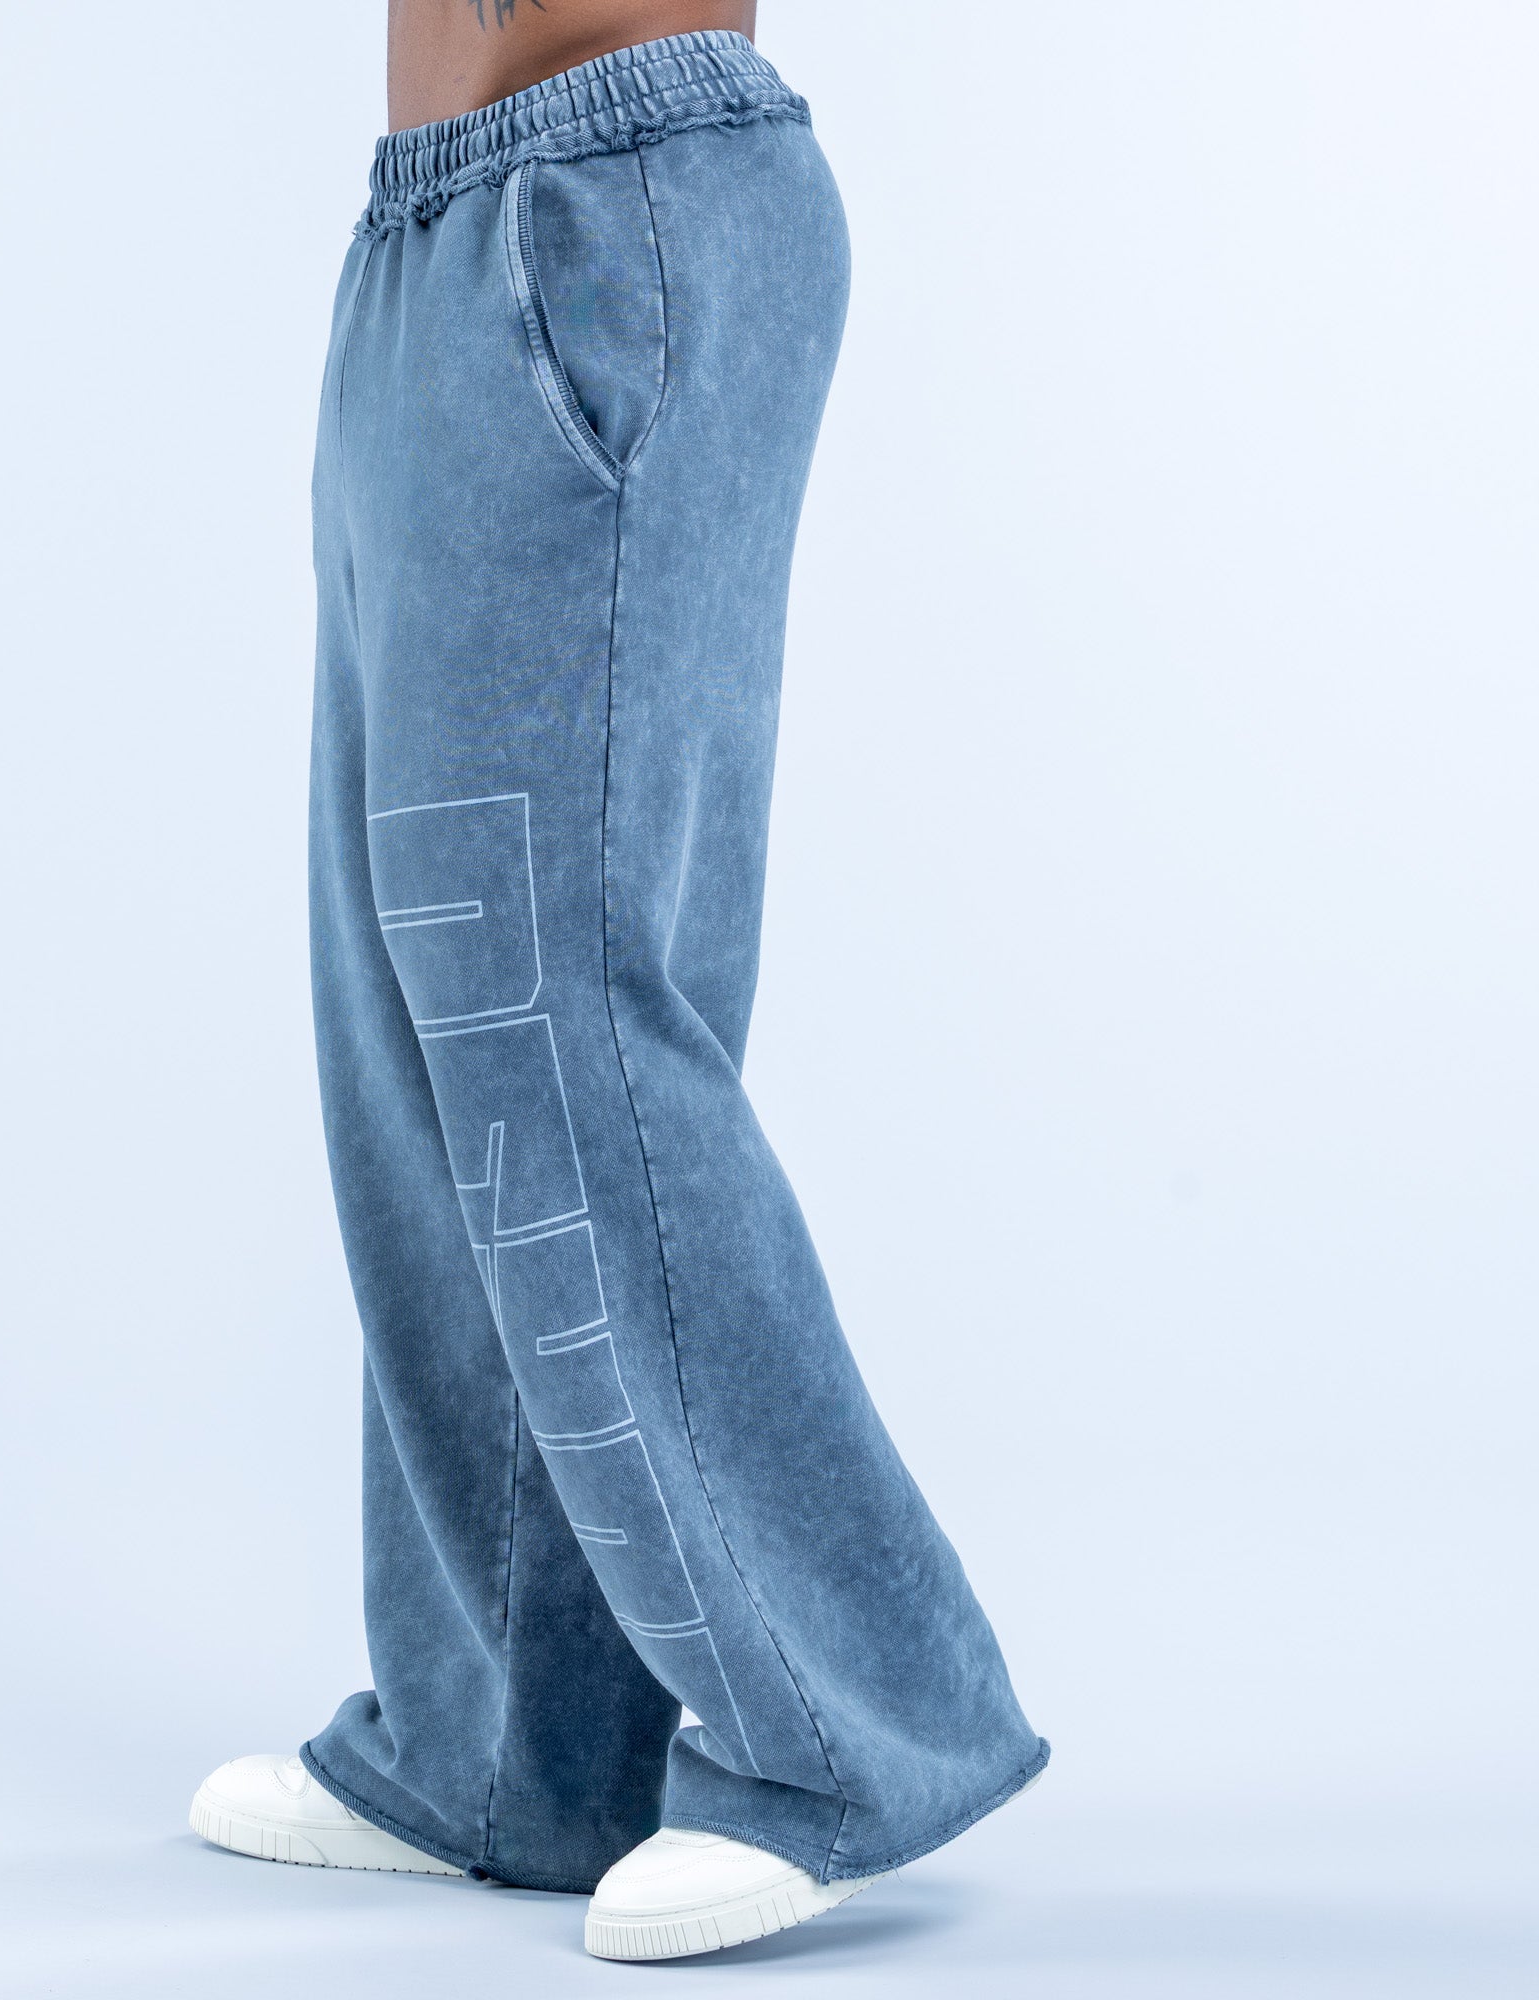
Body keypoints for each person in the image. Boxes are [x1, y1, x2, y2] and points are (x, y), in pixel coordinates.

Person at [191, 1, 1046, 1962]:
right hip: (428, 228)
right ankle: (510, 1749)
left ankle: (852, 1726)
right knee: (419, 1030)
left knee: (548, 998)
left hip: (602, 190)